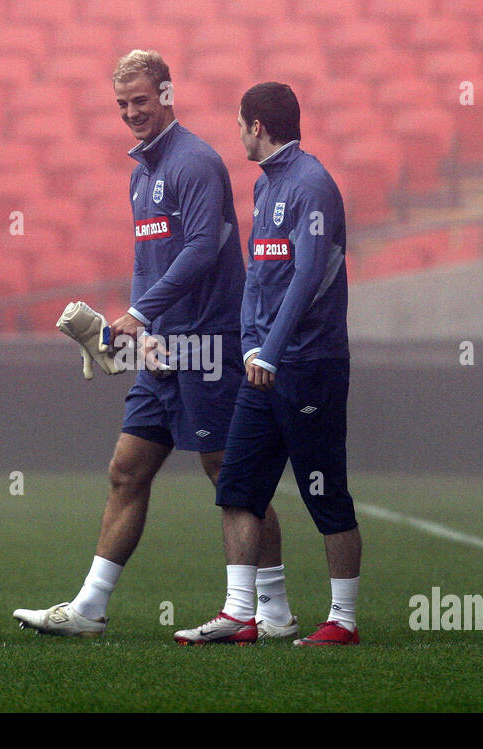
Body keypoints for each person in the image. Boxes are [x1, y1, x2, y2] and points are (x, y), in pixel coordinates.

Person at [13, 50, 293, 639]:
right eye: (122, 104)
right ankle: (89, 608)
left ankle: (270, 610)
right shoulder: (140, 172)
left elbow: (200, 251)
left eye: (141, 100)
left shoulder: (196, 163)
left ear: (166, 93)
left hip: (210, 346)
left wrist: (140, 315)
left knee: (231, 476)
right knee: (127, 469)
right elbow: (149, 261)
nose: (131, 113)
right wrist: (142, 338)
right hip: (164, 353)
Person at [174, 83, 361, 646]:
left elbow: (307, 278)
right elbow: (260, 277)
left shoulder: (312, 184)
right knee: (237, 487)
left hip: (309, 364)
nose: (237, 134)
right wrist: (252, 344)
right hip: (266, 364)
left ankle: (344, 621)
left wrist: (272, 351)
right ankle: (241, 614)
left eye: (239, 124)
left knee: (324, 492)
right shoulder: (266, 187)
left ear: (256, 126)